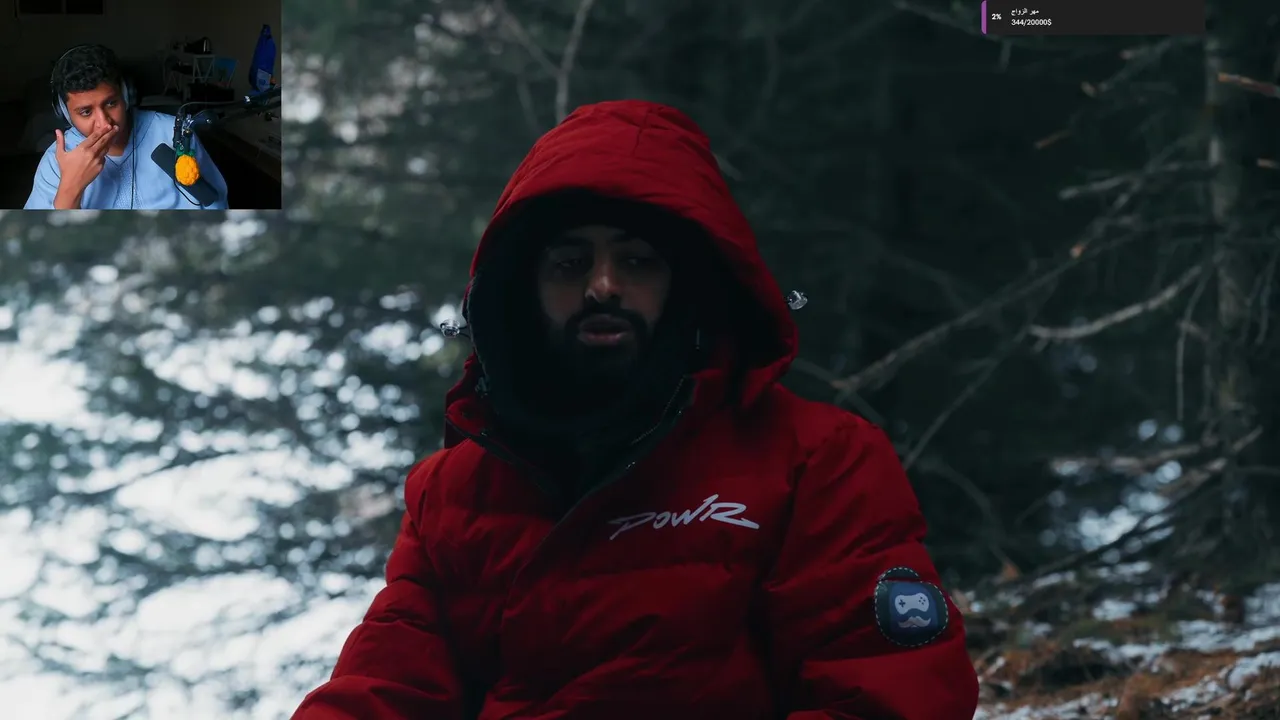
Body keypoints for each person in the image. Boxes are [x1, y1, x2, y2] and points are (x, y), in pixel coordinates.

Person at [293, 100, 979, 719]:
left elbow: (889, 695)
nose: (603, 286)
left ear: (689, 286)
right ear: (521, 293)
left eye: (637, 261)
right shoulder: (452, 494)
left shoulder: (816, 459)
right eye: (569, 264)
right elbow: (387, 687)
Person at [25, 44, 228, 210]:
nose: (105, 124)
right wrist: (71, 188)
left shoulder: (177, 134)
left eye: (111, 103)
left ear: (126, 95)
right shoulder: (56, 161)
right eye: (86, 112)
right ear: (65, 114)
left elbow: (216, 204)